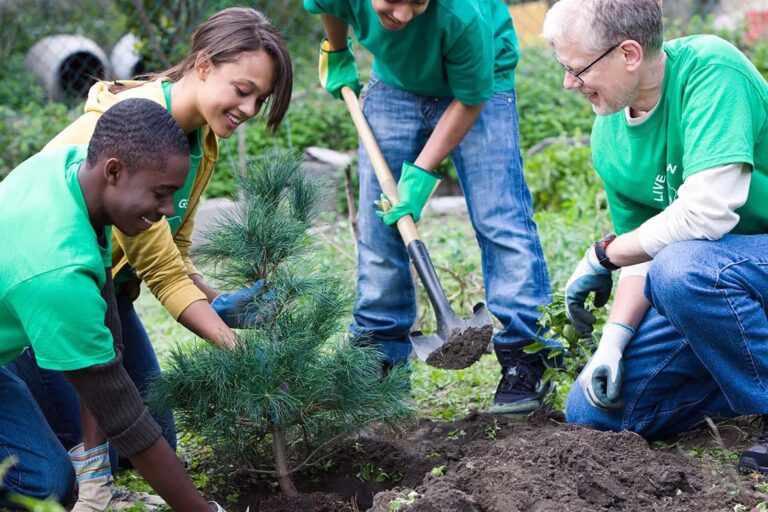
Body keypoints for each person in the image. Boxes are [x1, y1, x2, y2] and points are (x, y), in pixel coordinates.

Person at [8, 5, 293, 491]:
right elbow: (162, 273)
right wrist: (234, 347)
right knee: (71, 458)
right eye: (242, 91)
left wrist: (216, 302)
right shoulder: (131, 133)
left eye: (259, 100)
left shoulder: (199, 140)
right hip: (45, 296)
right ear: (203, 65)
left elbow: (175, 252)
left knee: (150, 440)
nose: (248, 109)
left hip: (105, 296)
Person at [542, 0, 768, 473]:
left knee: (683, 268)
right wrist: (614, 342)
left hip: (735, 266)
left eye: (576, 68)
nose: (568, 83)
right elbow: (643, 250)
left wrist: (602, 256)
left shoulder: (712, 71)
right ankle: (738, 368)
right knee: (592, 411)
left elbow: (707, 213)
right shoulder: (609, 134)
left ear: (628, 54)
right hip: (722, 289)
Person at [303, 0, 554, 415]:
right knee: (380, 223)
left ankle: (525, 358)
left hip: (480, 87)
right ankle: (379, 359)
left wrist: (419, 174)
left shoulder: (462, 14)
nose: (400, 14)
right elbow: (328, 6)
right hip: (395, 84)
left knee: (500, 220)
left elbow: (471, 98)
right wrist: (337, 48)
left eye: (416, 2)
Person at [0, 98, 227, 510]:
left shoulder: (68, 173)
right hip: (29, 308)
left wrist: (95, 472)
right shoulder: (57, 269)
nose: (166, 211)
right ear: (114, 171)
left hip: (9, 338)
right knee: (43, 484)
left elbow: (105, 334)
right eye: (161, 194)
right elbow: (121, 412)